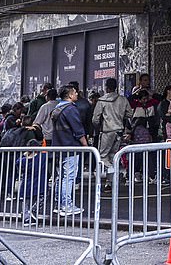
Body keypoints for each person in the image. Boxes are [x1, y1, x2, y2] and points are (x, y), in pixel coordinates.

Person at [51, 85, 88, 215]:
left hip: (58, 146)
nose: (77, 94)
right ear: (70, 95)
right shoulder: (71, 109)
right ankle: (66, 205)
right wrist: (86, 145)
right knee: (69, 177)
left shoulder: (57, 108)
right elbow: (78, 130)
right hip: (70, 146)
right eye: (75, 92)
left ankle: (58, 204)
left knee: (61, 176)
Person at [92, 78, 133, 191]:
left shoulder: (102, 101)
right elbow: (130, 113)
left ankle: (109, 171)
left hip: (106, 131)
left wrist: (99, 127)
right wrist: (120, 117)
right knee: (113, 155)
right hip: (119, 131)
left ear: (106, 88)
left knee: (103, 156)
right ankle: (109, 183)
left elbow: (95, 119)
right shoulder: (123, 100)